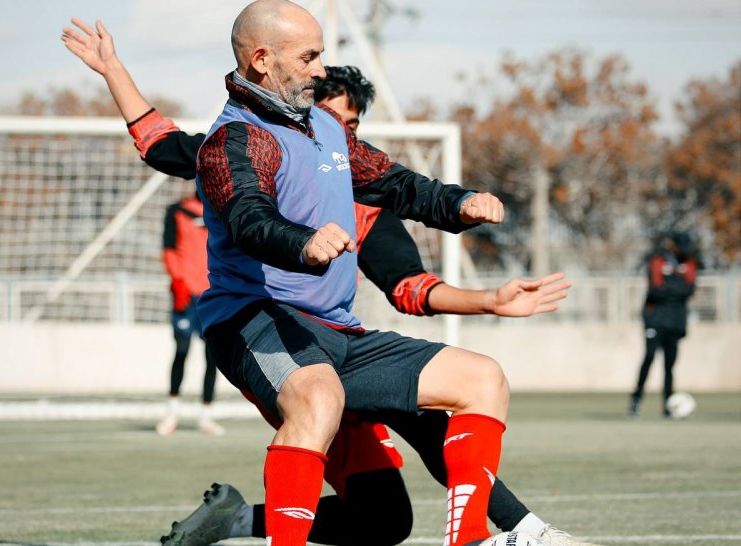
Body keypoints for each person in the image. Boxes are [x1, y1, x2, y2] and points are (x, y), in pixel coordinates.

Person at [61, 15, 595, 546]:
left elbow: (401, 207)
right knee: (320, 396)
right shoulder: (235, 141)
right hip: (258, 323)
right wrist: (301, 241)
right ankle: (526, 530)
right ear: (262, 61)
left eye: (322, 57)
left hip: (340, 336)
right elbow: (240, 209)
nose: (322, 70)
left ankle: (470, 538)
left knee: (464, 402)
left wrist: (459, 205)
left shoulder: (328, 135)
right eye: (310, 58)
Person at [157, 192, 225, 436]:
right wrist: (178, 281)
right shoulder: (177, 210)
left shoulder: (222, 210)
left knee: (213, 357)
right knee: (182, 350)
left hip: (214, 295)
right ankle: (172, 412)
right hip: (187, 295)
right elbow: (169, 249)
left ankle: (206, 415)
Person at [629, 231, 698, 418]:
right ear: (673, 246)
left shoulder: (690, 264)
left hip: (675, 322)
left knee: (669, 365)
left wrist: (670, 290)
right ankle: (636, 400)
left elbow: (689, 291)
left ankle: (668, 406)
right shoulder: (658, 262)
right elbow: (656, 290)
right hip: (655, 319)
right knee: (649, 357)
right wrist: (676, 290)